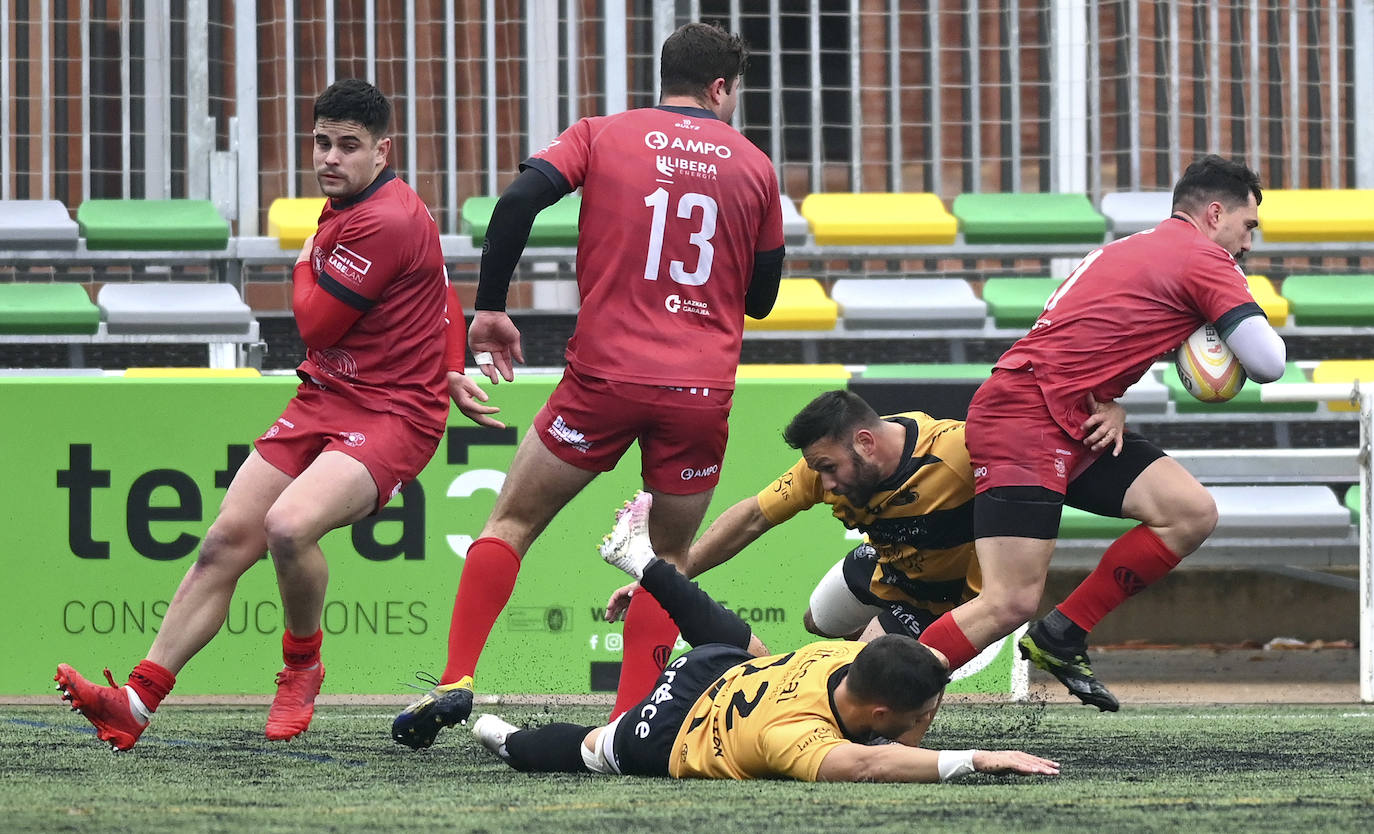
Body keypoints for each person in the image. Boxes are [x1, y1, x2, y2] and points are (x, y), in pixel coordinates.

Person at [55, 78, 501, 750]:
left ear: (383, 152)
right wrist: (452, 364)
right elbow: (438, 290)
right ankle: (134, 702)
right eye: (321, 142)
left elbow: (315, 322)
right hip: (326, 396)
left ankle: (301, 666)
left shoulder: (384, 218)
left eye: (347, 146)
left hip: (394, 416)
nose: (329, 157)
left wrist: (301, 262)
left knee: (287, 527)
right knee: (222, 544)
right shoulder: (365, 203)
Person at [392, 21, 786, 748]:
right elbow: (761, 298)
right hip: (699, 391)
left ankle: (456, 678)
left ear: (663, 75)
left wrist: (490, 309)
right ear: (722, 88)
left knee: (510, 523)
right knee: (663, 560)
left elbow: (513, 204)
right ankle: (626, 727)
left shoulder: (603, 134)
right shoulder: (755, 167)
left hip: (603, 377)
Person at [915, 154, 1288, 710]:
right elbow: (1268, 362)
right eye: (1247, 227)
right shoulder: (1207, 259)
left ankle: (1061, 634)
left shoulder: (1125, 248)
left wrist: (1112, 398)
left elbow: (1086, 333)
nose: (1248, 245)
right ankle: (864, 698)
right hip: (1027, 419)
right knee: (1008, 602)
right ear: (1215, 214)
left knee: (1190, 512)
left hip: (1069, 416)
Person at [470, 491, 1060, 783]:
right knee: (593, 750)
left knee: (753, 650)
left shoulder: (841, 657)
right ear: (880, 711)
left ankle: (647, 564)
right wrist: (973, 760)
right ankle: (507, 738)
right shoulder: (798, 741)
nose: (925, 724)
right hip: (672, 733)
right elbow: (862, 768)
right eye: (922, 716)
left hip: (720, 670)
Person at [603, 387, 1121, 706]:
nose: (823, 484)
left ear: (865, 444)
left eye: (829, 469)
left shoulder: (961, 450)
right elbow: (753, 517)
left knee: (861, 674)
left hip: (943, 602)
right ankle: (863, 637)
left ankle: (884, 667)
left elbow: (1045, 448)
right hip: (885, 567)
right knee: (814, 622)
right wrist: (667, 576)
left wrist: (1111, 409)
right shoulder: (822, 466)